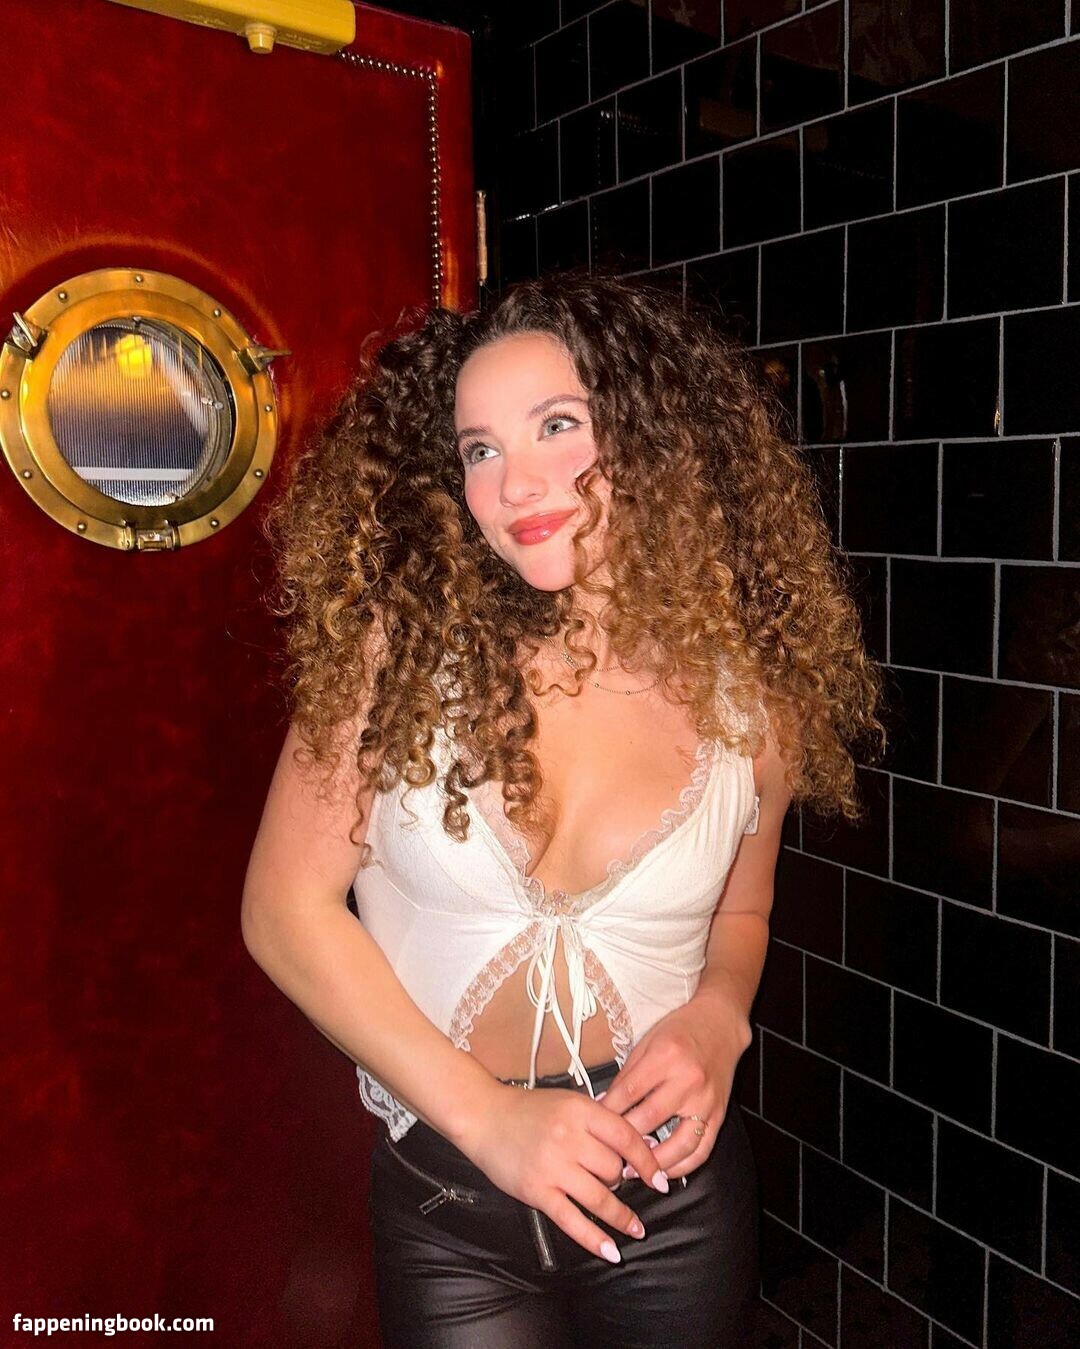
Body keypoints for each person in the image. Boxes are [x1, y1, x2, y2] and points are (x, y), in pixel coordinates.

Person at [242, 274, 886, 1347]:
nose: (513, 483)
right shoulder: (396, 659)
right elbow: (282, 910)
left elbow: (741, 912)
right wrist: (490, 1116)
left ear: (649, 435)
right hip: (452, 1195)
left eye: (555, 426)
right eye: (479, 447)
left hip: (671, 1195)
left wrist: (720, 1017)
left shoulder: (751, 697)